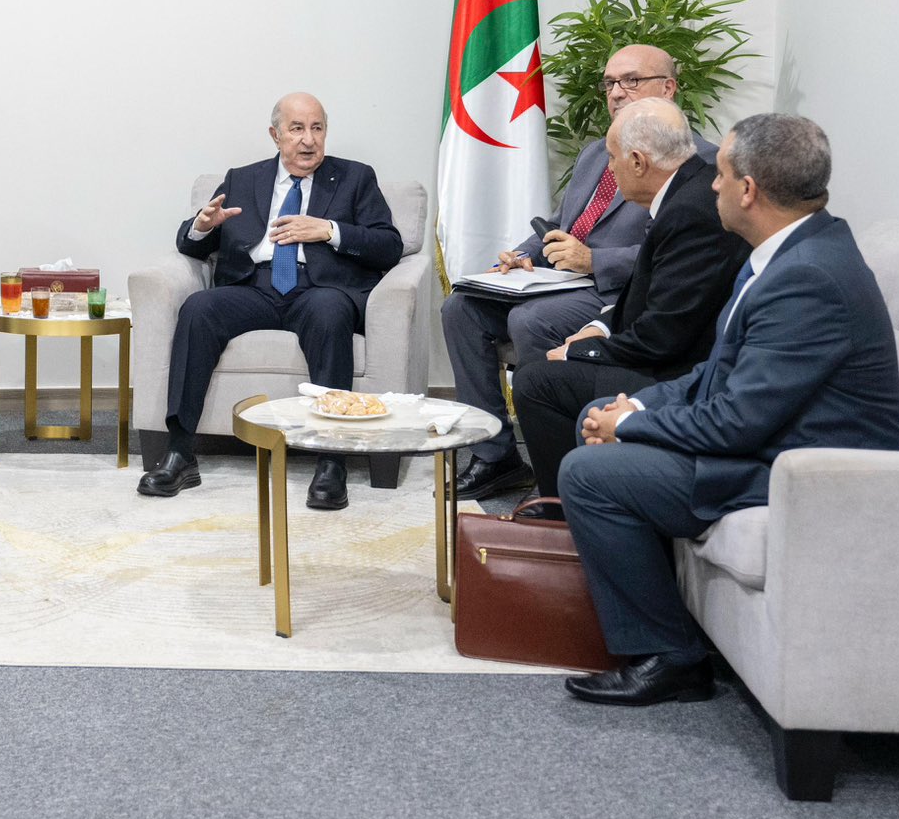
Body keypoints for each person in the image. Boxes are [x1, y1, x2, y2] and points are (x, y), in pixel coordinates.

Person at [560, 113, 899, 706]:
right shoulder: (788, 250)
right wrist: (637, 403)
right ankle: (651, 611)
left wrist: (632, 424)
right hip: (772, 441)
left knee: (588, 474)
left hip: (801, 469)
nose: (710, 185)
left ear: (748, 190)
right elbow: (718, 372)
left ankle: (671, 657)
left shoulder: (808, 278)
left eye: (719, 174)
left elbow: (737, 422)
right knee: (597, 412)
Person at [441, 43, 720, 501]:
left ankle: (557, 462)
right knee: (461, 307)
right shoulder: (597, 153)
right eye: (609, 83)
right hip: (556, 281)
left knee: (530, 320)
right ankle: (496, 457)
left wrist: (595, 261)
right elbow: (560, 223)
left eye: (631, 80)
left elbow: (672, 256)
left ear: (668, 88)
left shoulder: (697, 163)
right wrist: (524, 255)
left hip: (609, 290)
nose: (616, 92)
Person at [139, 92, 403, 510]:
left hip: (318, 289)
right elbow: (190, 246)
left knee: (330, 312)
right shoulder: (242, 179)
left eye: (317, 128)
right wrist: (202, 226)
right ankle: (180, 452)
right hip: (253, 286)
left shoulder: (355, 178)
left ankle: (331, 461)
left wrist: (329, 230)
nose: (308, 140)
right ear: (275, 135)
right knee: (198, 309)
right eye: (297, 129)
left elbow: (389, 246)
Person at [508, 99, 748, 498]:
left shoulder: (690, 212)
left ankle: (563, 511)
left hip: (679, 371)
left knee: (536, 380)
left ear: (638, 162)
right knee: (541, 366)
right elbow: (649, 292)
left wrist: (581, 353)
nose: (609, 167)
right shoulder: (686, 191)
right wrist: (597, 328)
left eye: (612, 158)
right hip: (671, 352)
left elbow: (662, 335)